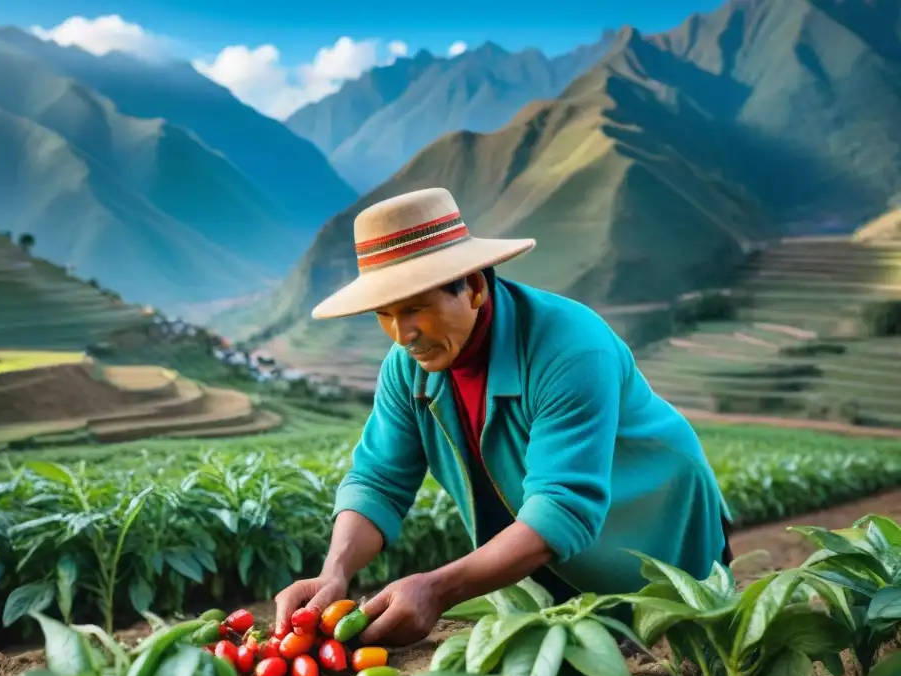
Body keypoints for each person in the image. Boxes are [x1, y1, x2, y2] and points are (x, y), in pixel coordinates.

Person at [274, 187, 733, 647]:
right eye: (384, 314)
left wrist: (438, 589)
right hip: (546, 550)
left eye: (415, 308)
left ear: (473, 286)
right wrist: (334, 573)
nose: (403, 334)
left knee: (693, 662)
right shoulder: (407, 367)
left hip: (651, 516)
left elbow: (562, 506)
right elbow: (378, 480)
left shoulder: (570, 349)